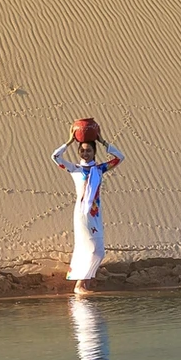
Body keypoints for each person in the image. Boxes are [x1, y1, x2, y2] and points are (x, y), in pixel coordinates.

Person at [52, 118, 125, 294]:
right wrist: (69, 141)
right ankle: (79, 285)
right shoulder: (75, 169)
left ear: (94, 152)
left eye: (89, 151)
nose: (86, 153)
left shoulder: (100, 169)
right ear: (79, 153)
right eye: (83, 151)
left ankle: (86, 284)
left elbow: (120, 158)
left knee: (94, 248)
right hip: (83, 213)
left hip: (96, 213)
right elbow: (55, 157)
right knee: (95, 249)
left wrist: (102, 141)